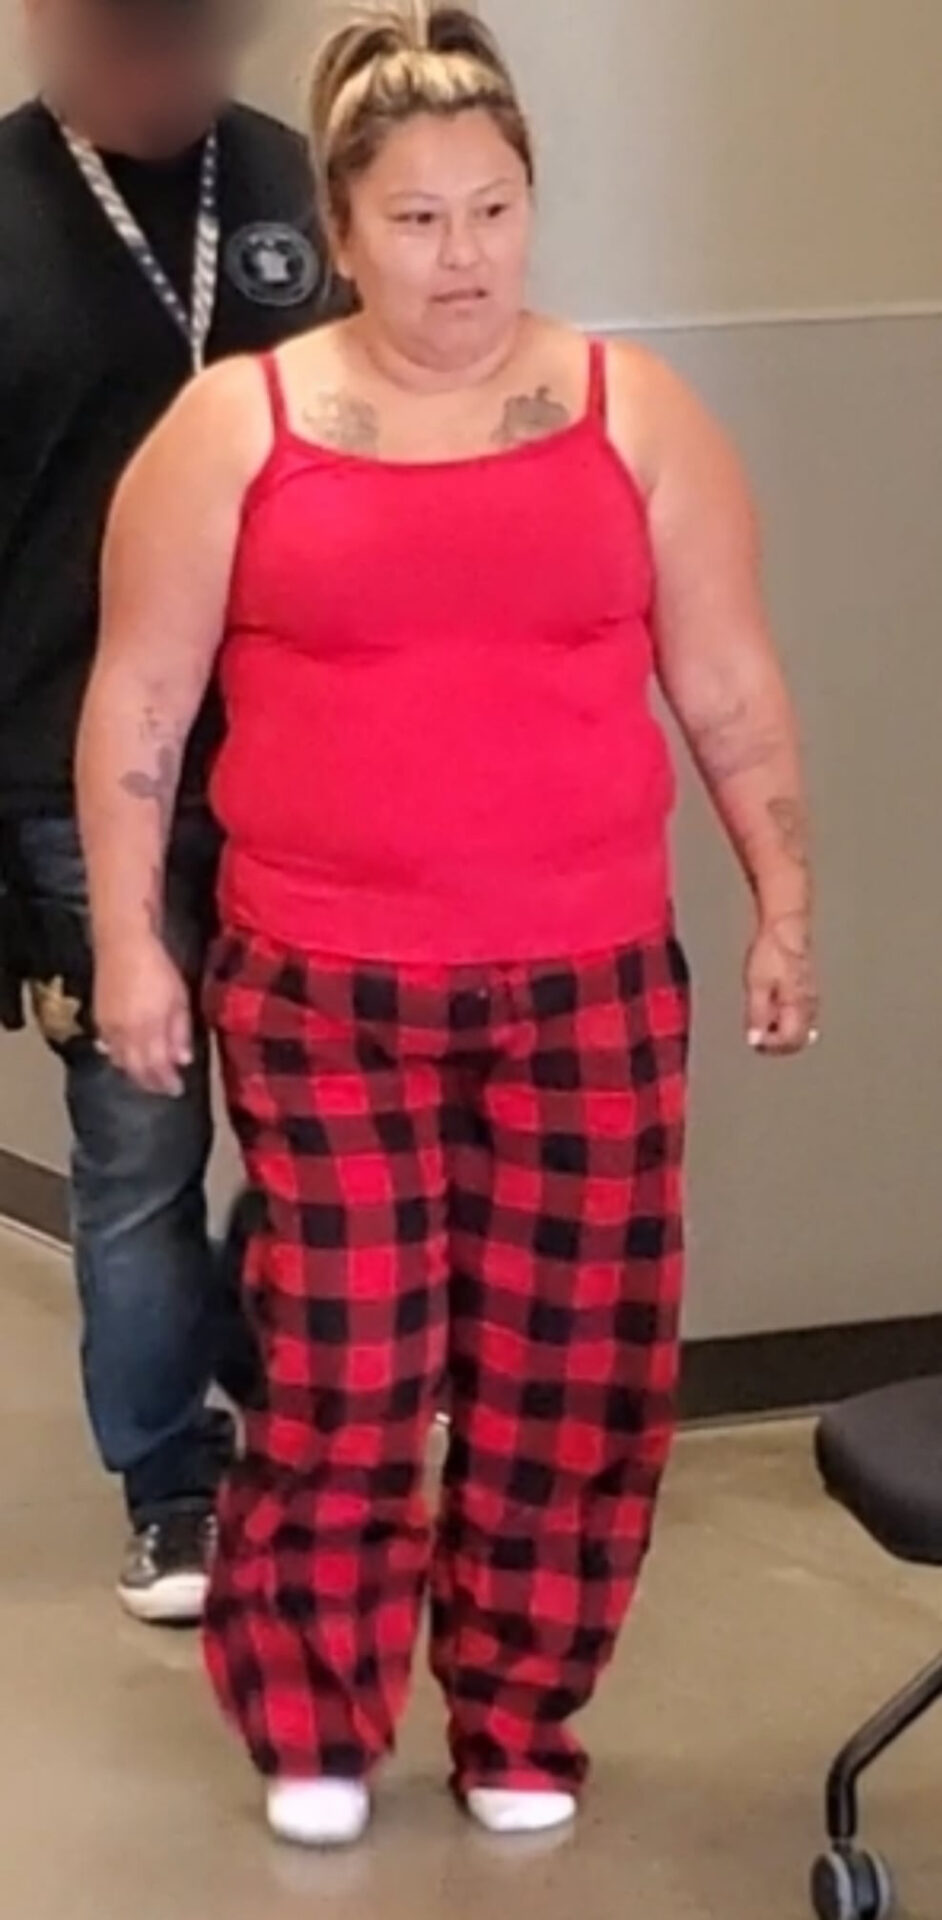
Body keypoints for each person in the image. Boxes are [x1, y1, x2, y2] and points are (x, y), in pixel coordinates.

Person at [77, 0, 819, 1847]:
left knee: (572, 1378)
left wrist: (781, 898)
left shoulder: (632, 414)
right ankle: (317, 1725)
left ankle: (518, 1719)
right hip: (322, 987)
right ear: (339, 229)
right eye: (416, 219)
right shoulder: (232, 429)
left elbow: (727, 685)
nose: (462, 255)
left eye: (493, 211)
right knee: (341, 1378)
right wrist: (132, 946)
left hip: (589, 983)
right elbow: (140, 707)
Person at [0, 0, 345, 1625]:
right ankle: (171, 1485)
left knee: (320, 1118)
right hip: (70, 762)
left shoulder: (295, 189)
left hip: (295, 749)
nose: (166, 73)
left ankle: (274, 1381)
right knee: (140, 1140)